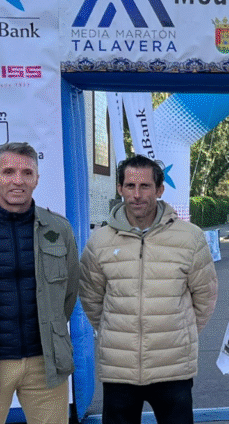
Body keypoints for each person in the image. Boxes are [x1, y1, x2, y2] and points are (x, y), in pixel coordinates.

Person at [80, 155, 218, 424]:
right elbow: (91, 297)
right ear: (119, 189)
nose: (137, 194)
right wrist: (116, 330)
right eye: (130, 186)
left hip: (172, 366)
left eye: (145, 186)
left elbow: (205, 296)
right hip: (120, 369)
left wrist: (178, 332)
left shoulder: (190, 237)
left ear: (160, 189)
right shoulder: (100, 242)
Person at [0, 142, 79, 424]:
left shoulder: (59, 228)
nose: (18, 180)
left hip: (45, 361)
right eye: (8, 172)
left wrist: (51, 329)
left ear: (37, 179)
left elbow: (70, 292)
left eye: (27, 173)